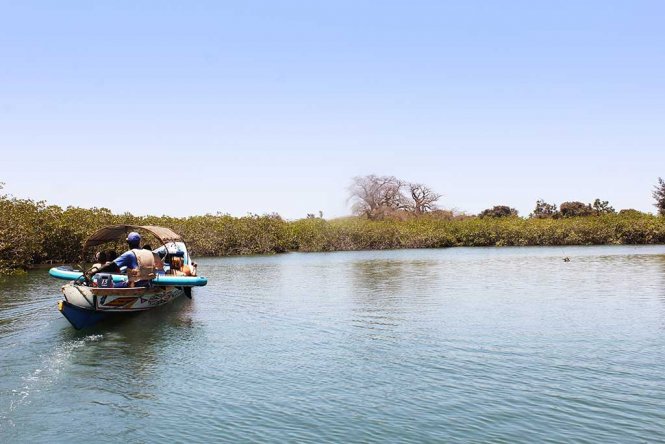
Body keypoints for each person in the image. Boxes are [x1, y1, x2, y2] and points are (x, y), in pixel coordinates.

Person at [86, 232, 156, 287]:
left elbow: (110, 265)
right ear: (139, 242)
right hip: (148, 284)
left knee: (110, 285)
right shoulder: (149, 253)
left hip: (134, 285)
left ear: (128, 243)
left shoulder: (129, 254)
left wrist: (93, 273)